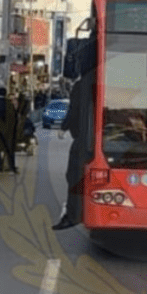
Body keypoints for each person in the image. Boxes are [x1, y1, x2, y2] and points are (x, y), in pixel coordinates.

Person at [53, 44, 96, 230]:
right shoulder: (111, 79)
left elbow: (74, 111)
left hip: (86, 141)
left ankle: (74, 215)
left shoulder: (83, 84)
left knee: (75, 176)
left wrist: (64, 127)